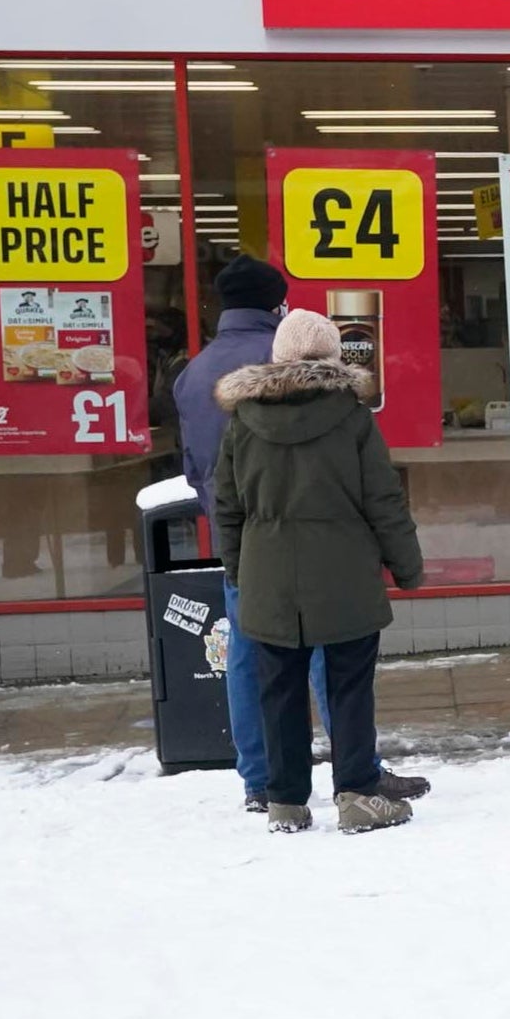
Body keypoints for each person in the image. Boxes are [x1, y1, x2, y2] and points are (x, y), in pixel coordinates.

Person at [171, 257, 424, 809]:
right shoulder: (325, 393)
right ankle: (357, 778)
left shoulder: (201, 377)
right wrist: (406, 564)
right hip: (335, 561)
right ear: (275, 302)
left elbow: (202, 473)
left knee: (258, 668)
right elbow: (381, 497)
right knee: (340, 669)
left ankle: (267, 786)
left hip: (256, 552)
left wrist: (236, 557)